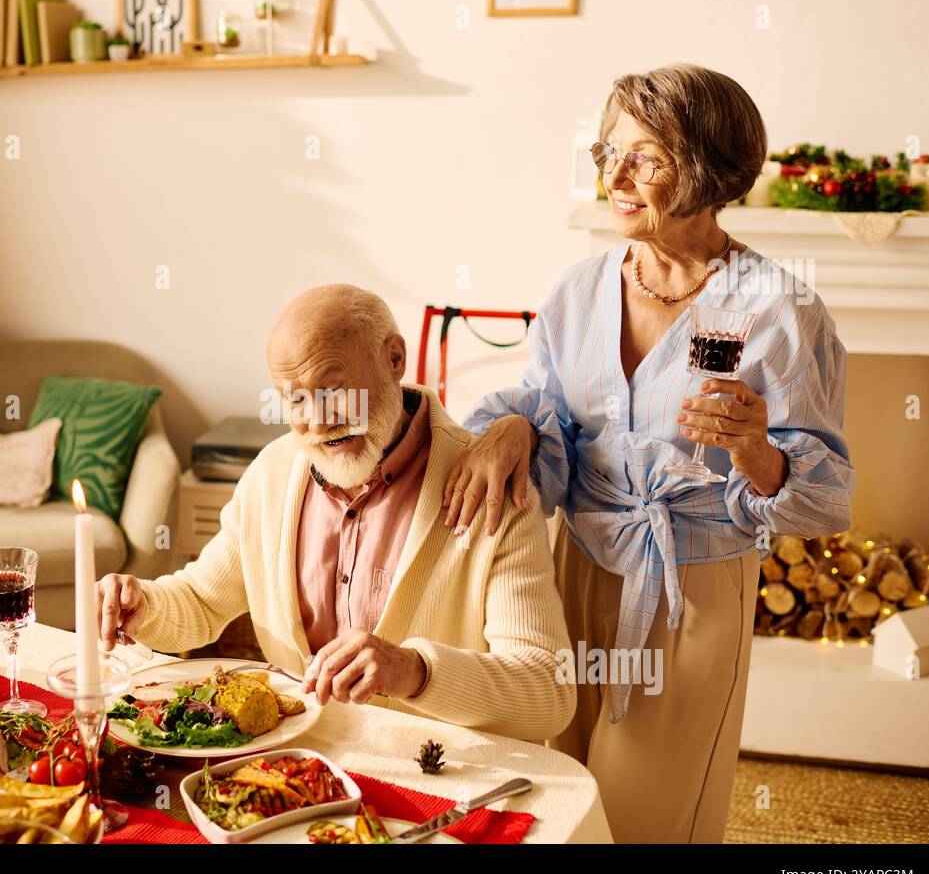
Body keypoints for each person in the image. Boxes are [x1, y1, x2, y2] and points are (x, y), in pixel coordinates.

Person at [444, 65, 854, 841]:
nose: (616, 176)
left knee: (644, 812)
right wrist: (517, 426)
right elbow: (553, 421)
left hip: (690, 589)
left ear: (708, 169)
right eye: (610, 152)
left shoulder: (782, 309)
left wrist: (757, 452)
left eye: (648, 158)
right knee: (555, 793)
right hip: (572, 571)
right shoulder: (577, 292)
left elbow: (825, 493)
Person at [95, 284, 575, 742]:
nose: (319, 420)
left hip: (439, 785)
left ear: (394, 360)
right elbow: (202, 601)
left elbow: (550, 690)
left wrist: (414, 671)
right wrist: (146, 605)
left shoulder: (492, 486)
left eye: (334, 389)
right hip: (297, 775)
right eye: (296, 399)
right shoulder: (272, 474)